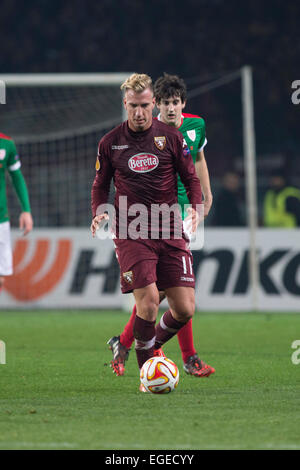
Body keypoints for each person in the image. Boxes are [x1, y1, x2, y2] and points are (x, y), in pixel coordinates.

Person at [91, 73, 206, 391]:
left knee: (184, 308)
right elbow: (100, 185)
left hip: (169, 227)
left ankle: (138, 345)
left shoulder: (171, 137)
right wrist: (98, 212)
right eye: (133, 106)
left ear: (151, 103)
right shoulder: (110, 142)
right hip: (132, 230)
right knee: (150, 302)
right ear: (124, 104)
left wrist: (195, 206)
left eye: (144, 105)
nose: (139, 112)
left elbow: (191, 177)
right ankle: (147, 375)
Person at [0, 133, 33, 292]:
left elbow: (16, 176)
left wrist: (26, 210)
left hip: (1, 219)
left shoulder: (6, 143)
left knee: (1, 277)